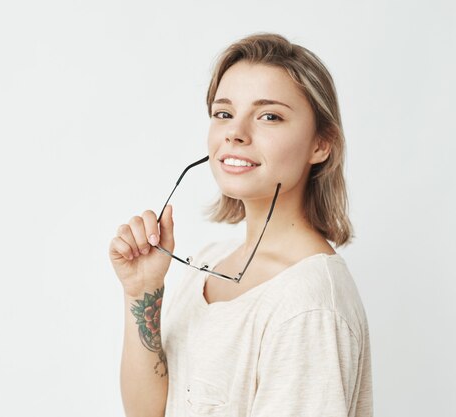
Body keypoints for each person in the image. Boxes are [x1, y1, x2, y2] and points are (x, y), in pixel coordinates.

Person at [109, 32, 373, 417]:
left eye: (269, 116)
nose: (235, 132)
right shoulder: (207, 264)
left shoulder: (309, 306)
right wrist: (141, 292)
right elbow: (147, 413)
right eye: (224, 113)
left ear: (321, 144)